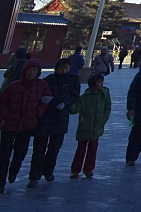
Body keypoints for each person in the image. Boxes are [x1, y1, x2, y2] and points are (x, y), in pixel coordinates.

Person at [0, 59, 51, 193]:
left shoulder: (42, 85)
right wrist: (6, 116)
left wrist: (38, 113)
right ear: (25, 71)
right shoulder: (14, 86)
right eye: (30, 70)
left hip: (27, 125)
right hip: (9, 125)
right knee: (4, 155)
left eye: (35, 71)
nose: (32, 73)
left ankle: (13, 170)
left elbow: (47, 99)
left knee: (20, 153)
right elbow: (1, 103)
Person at [27, 58, 80, 187]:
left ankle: (48, 171)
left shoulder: (73, 80)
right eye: (61, 68)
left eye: (66, 68)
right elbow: (40, 95)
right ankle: (34, 176)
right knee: (39, 148)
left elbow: (75, 96)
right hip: (45, 117)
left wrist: (65, 104)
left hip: (61, 118)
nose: (64, 70)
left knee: (54, 148)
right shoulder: (48, 80)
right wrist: (48, 101)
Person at [68, 73, 111, 178]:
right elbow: (75, 109)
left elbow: (107, 108)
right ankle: (75, 170)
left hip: (97, 126)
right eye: (99, 82)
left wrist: (103, 120)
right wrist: (69, 102)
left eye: (101, 82)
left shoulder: (104, 95)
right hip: (85, 127)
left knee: (92, 149)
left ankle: (88, 169)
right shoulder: (84, 98)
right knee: (81, 149)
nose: (101, 84)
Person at [0, 47, 29, 126]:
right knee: (10, 105)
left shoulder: (14, 61)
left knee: (4, 103)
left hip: (6, 84)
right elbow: (18, 75)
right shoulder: (23, 62)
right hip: (12, 86)